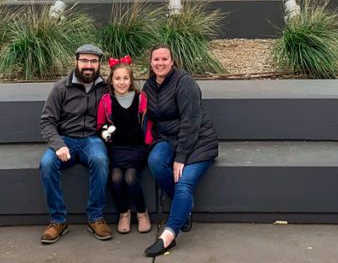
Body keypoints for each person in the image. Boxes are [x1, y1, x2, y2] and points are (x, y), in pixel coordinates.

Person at [142, 44, 218, 257]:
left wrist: (181, 157)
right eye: (156, 59)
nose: (160, 63)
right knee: (155, 161)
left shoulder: (184, 83)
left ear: (172, 61)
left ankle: (169, 235)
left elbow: (191, 122)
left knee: (183, 181)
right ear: (150, 62)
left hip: (199, 141)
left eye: (164, 59)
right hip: (168, 139)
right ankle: (184, 206)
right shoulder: (149, 86)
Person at [38, 44, 113, 245]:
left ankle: (95, 217)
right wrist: (58, 144)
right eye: (84, 61)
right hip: (65, 139)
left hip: (92, 139)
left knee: (99, 159)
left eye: (93, 61)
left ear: (99, 64)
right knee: (46, 164)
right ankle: (58, 221)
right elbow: (47, 121)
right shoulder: (61, 88)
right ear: (77, 62)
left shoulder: (106, 88)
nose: (88, 65)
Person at [97, 56, 153, 234]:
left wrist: (149, 144)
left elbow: (148, 124)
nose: (122, 82)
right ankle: (124, 213)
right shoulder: (106, 101)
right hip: (116, 149)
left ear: (131, 80)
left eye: (125, 78)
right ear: (111, 81)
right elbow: (100, 125)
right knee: (115, 178)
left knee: (130, 177)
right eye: (118, 78)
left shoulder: (141, 98)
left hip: (136, 149)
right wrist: (106, 132)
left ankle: (142, 213)